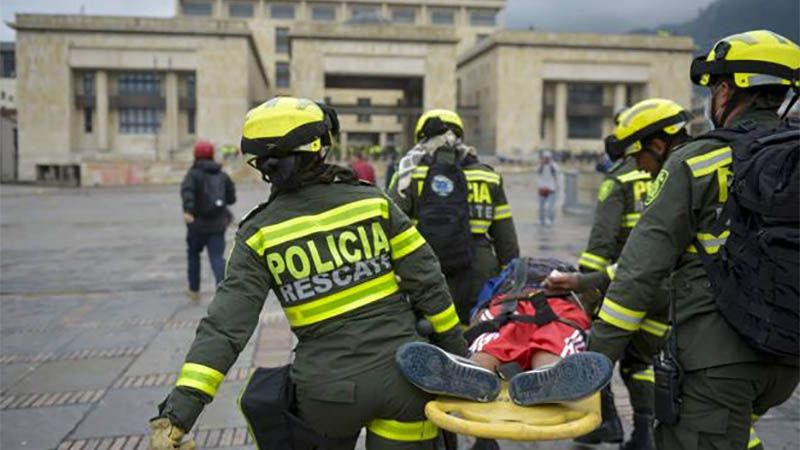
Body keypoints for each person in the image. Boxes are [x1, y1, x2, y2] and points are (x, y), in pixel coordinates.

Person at [150, 97, 467, 450]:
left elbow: (225, 328)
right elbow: (429, 284)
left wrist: (178, 415)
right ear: (320, 147)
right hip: (404, 380)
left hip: (326, 395)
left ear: (261, 165)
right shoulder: (373, 204)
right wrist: (461, 361)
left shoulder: (259, 233)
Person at [588, 30, 799, 450]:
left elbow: (640, 272)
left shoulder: (696, 161)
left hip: (715, 360)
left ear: (725, 91)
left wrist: (595, 360)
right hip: (787, 357)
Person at [549, 98, 692, 450]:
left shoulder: (638, 180)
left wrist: (585, 286)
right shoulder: (691, 171)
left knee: (598, 349)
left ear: (656, 145)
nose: (637, 166)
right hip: (670, 291)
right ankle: (644, 434)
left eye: (636, 155)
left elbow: (603, 245)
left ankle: (604, 420)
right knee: (642, 360)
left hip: (633, 288)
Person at [396, 257, 614, 409]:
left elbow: (481, 309)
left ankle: (476, 369)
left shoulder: (510, 276)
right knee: (556, 337)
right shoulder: (570, 281)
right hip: (556, 306)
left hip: (508, 305)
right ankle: (548, 373)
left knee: (494, 339)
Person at [388, 109, 519, 325]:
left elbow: (390, 227)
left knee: (431, 329)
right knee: (477, 328)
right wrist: (510, 277)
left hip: (427, 267)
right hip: (479, 268)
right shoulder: (488, 176)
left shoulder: (408, 175)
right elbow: (506, 238)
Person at [180, 140, 236, 300]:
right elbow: (231, 198)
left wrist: (188, 210)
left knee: (193, 255)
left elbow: (188, 192)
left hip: (197, 224)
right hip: (218, 224)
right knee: (217, 257)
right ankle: (224, 289)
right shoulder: (222, 175)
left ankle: (194, 289)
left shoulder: (193, 174)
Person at [536, 151, 559, 226]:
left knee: (551, 207)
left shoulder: (554, 165)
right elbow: (538, 171)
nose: (546, 159)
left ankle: (551, 220)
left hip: (551, 189)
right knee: (541, 207)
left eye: (547, 158)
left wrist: (550, 164)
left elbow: (555, 171)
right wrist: (542, 164)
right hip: (542, 188)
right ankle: (541, 219)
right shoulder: (540, 165)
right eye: (545, 158)